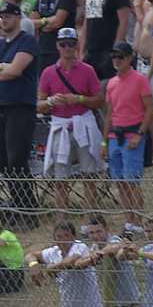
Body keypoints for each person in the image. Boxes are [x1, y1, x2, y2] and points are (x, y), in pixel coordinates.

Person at [0, 0, 42, 214]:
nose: (4, 20)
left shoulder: (26, 41)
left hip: (20, 107)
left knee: (17, 159)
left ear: (17, 17)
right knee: (3, 160)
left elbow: (14, 71)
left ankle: (27, 207)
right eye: (1, 17)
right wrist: (0, 67)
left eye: (7, 16)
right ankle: (18, 202)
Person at [37, 27, 106, 212]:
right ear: (57, 46)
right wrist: (51, 101)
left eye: (71, 44)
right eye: (63, 44)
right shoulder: (48, 72)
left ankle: (90, 217)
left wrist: (79, 99)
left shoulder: (87, 70)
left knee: (89, 175)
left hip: (83, 123)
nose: (67, 48)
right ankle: (62, 218)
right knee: (60, 178)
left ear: (77, 46)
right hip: (60, 126)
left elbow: (99, 100)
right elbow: (39, 104)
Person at [102, 39, 153, 214]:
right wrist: (104, 142)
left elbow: (149, 109)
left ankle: (137, 219)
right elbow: (109, 114)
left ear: (130, 58)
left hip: (132, 133)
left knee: (132, 182)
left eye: (121, 57)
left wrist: (140, 134)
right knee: (120, 182)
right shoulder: (111, 83)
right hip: (114, 136)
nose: (117, 60)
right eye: (114, 56)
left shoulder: (140, 80)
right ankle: (129, 219)